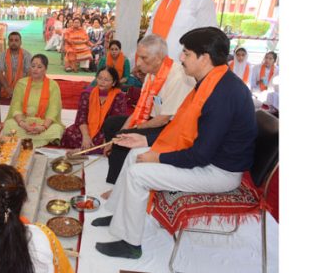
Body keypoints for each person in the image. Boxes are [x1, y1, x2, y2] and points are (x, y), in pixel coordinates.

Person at [93, 27, 257, 259]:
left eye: (187, 53)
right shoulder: (212, 81)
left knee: (138, 174)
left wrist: (157, 156)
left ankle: (130, 244)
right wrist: (145, 140)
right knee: (134, 153)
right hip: (206, 159)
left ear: (205, 58)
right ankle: (119, 215)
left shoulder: (223, 94)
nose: (181, 58)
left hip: (219, 172)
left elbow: (200, 156)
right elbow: (183, 130)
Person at [100, 35, 195, 195]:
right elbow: (139, 110)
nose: (138, 63)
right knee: (112, 124)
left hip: (171, 127)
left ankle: (121, 188)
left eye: (144, 58)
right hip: (153, 119)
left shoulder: (177, 77)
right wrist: (122, 130)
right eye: (139, 57)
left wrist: (134, 128)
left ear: (159, 57)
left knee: (124, 137)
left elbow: (164, 118)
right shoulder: (152, 73)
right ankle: (116, 178)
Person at [146, 0, 217, 60]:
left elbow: (208, 37)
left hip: (182, 69)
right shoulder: (161, 2)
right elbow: (150, 31)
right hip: (155, 65)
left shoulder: (201, 0)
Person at [2, 54, 64, 147]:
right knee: (8, 125)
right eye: (33, 66)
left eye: (39, 67)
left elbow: (53, 109)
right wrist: (23, 124)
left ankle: (25, 139)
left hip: (43, 122)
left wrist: (43, 127)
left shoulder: (53, 85)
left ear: (45, 69)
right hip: (24, 121)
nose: (35, 69)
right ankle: (37, 139)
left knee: (56, 130)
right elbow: (16, 105)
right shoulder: (21, 83)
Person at [60, 67, 127, 153]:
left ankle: (84, 150)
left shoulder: (119, 97)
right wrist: (86, 136)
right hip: (87, 127)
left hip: (105, 131)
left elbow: (116, 122)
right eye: (99, 78)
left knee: (112, 142)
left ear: (113, 82)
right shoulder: (87, 94)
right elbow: (81, 117)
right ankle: (92, 149)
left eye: (106, 80)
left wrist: (107, 139)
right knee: (69, 133)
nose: (102, 82)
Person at [0, 32, 32, 99]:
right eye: (11, 40)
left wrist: (20, 88)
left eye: (16, 40)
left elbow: (29, 73)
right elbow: (0, 73)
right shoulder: (2, 55)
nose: (13, 42)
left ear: (20, 42)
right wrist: (7, 88)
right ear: (8, 42)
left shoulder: (27, 55)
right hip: (6, 86)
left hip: (23, 86)